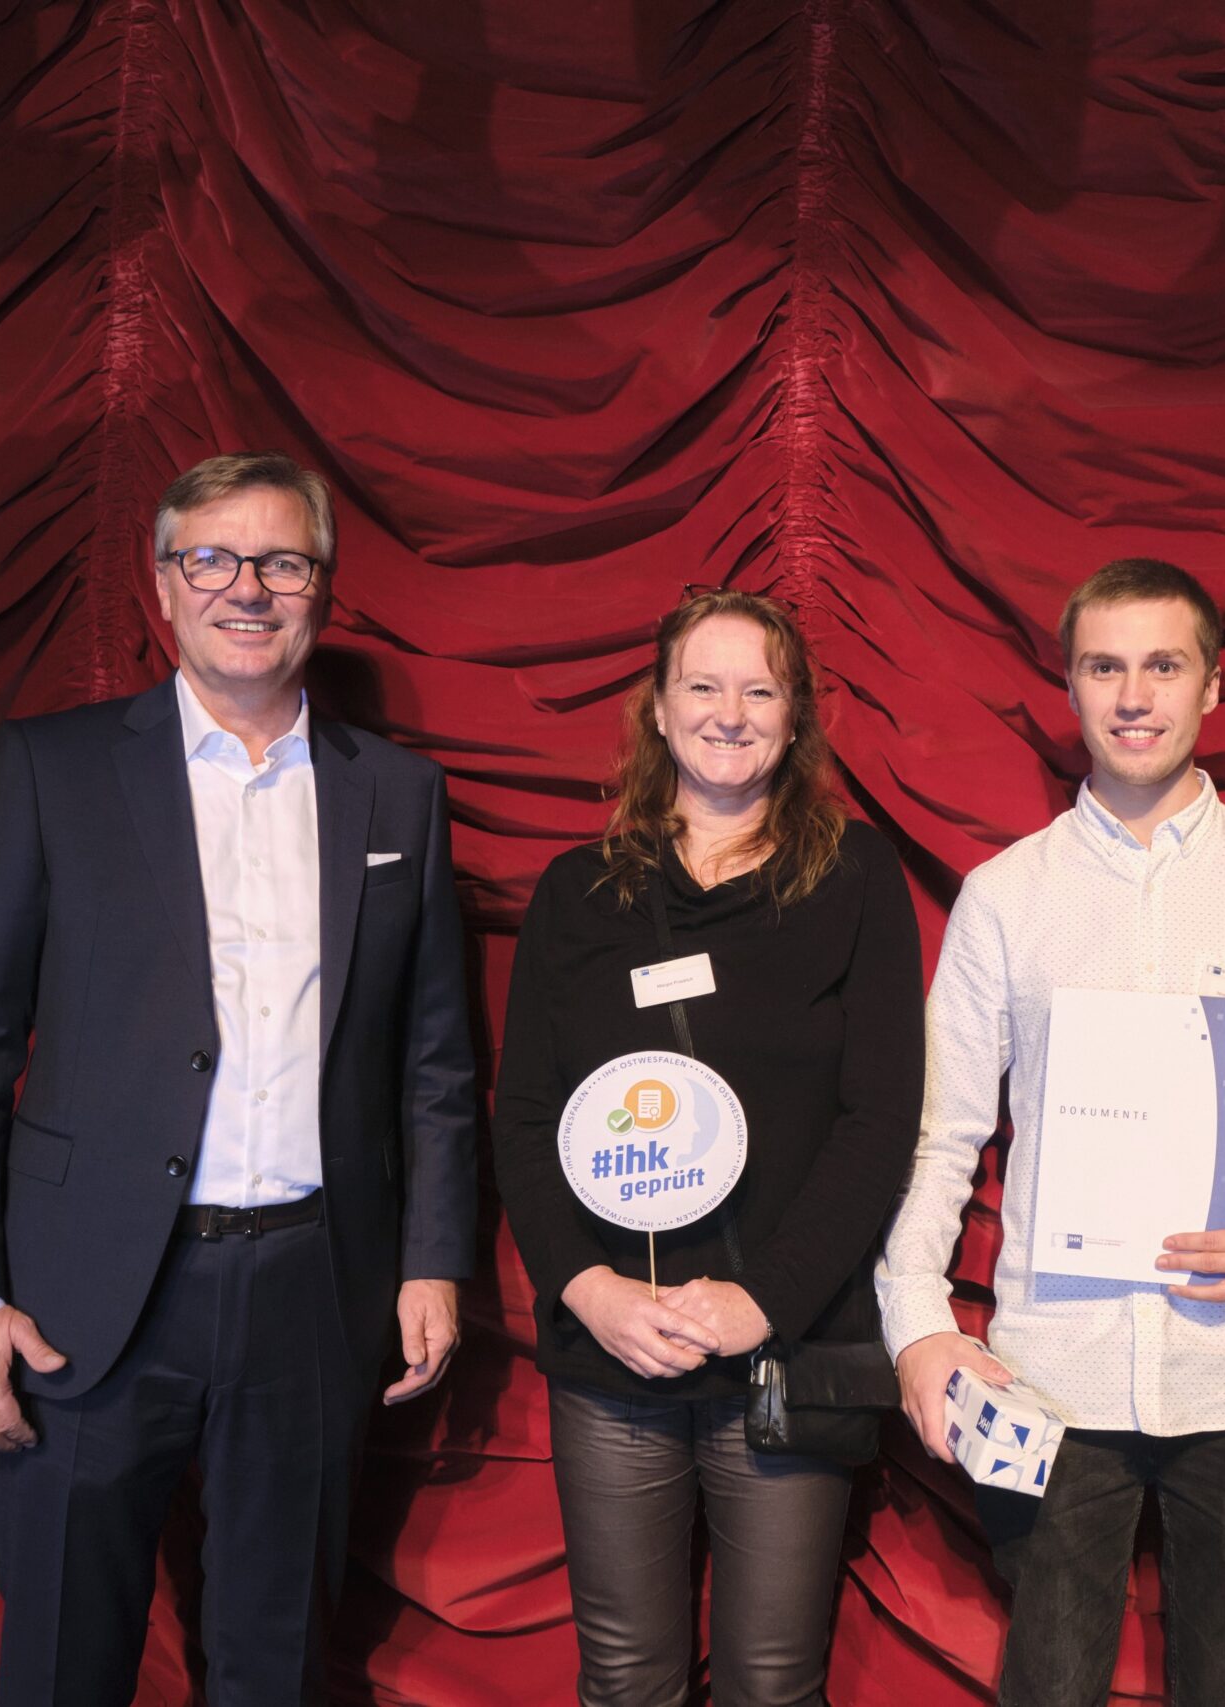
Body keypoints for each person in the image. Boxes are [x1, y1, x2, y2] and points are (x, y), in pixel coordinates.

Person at [0, 452, 477, 1704]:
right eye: (211, 558)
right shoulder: (52, 771)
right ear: (162, 585)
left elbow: (432, 1060)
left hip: (313, 1292)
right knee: (63, 1664)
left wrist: (432, 1260)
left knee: (276, 1666)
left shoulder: (399, 795)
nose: (245, 589)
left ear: (323, 589)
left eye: (281, 562)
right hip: (83, 1299)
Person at [876, 559, 1225, 1707]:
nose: (1133, 696)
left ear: (1211, 687)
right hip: (1050, 1383)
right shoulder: (1006, 897)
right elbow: (937, 1137)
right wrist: (918, 1327)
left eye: (1163, 666)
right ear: (1069, 688)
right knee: (1048, 1688)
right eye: (1104, 667)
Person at [491, 588, 925, 1707]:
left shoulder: (855, 876)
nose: (729, 713)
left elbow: (881, 1119)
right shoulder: (579, 893)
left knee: (771, 1686)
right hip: (614, 1357)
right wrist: (588, 1291)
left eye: (759, 690)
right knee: (624, 1680)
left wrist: (762, 1300)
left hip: (778, 1352)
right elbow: (523, 1117)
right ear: (657, 706)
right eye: (703, 685)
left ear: (795, 715)